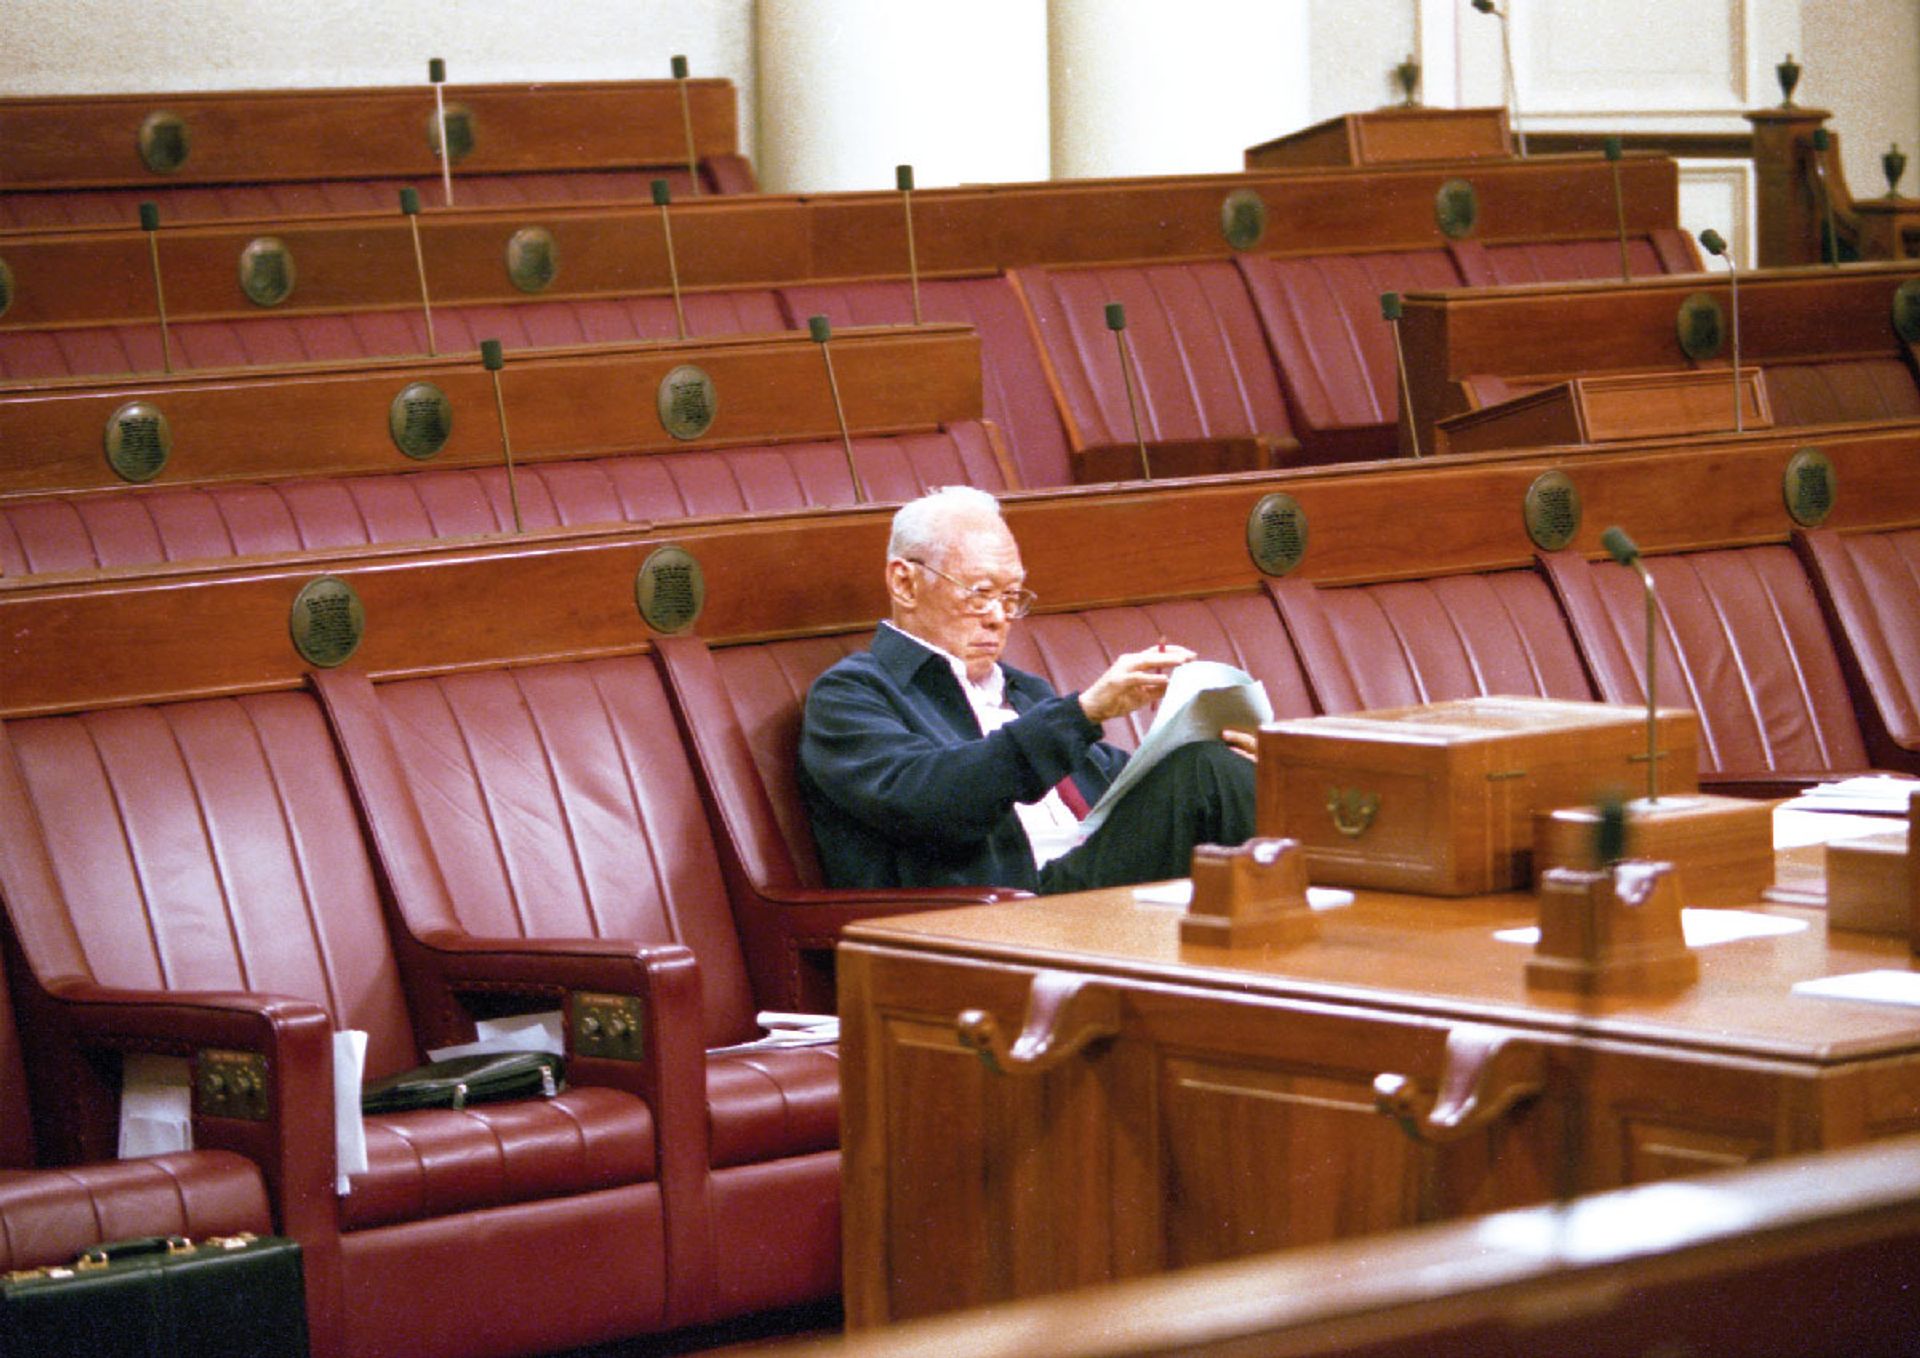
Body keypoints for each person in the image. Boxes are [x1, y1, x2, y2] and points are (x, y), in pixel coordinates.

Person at [799, 485, 1256, 893]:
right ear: (905, 583)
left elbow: (1123, 788)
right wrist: (1081, 715)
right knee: (1207, 773)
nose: (999, 617)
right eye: (979, 593)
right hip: (1004, 908)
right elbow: (930, 802)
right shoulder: (852, 694)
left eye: (1011, 597)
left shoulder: (1023, 691)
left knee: (1220, 763)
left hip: (1091, 880)